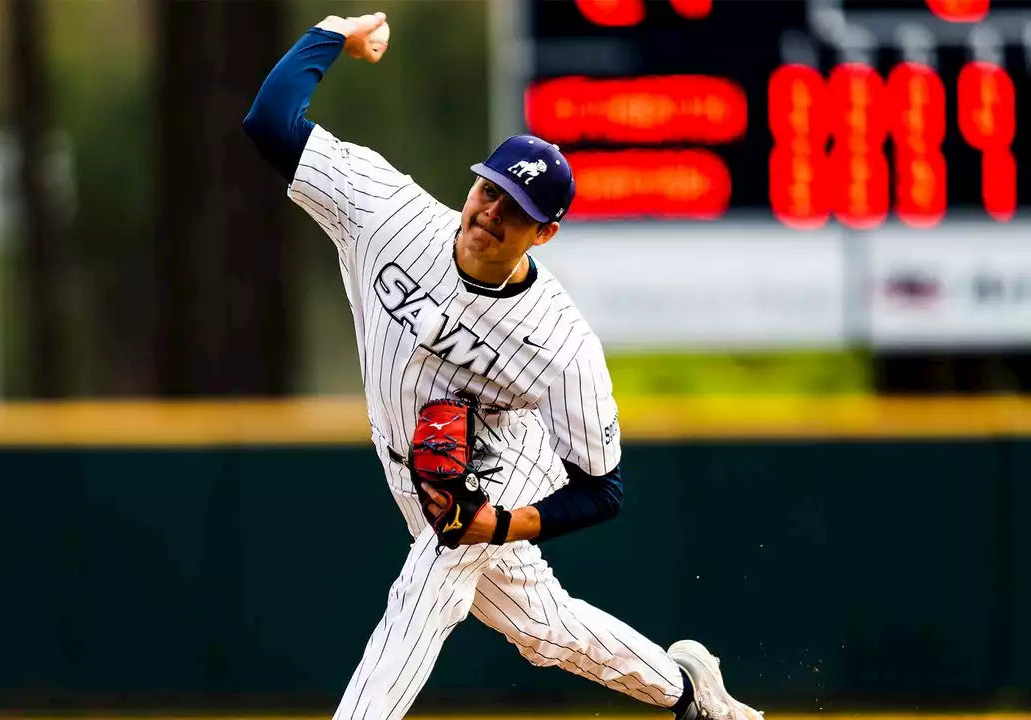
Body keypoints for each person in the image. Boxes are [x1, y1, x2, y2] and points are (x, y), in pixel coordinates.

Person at [242, 12, 765, 720]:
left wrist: (500, 522)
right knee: (540, 628)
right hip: (405, 459)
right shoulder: (386, 213)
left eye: (514, 210)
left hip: (501, 456)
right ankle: (688, 693)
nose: (490, 213)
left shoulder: (560, 343)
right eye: (489, 189)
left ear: (543, 233)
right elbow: (270, 121)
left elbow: (602, 489)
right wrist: (333, 33)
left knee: (429, 586)